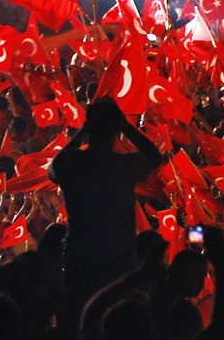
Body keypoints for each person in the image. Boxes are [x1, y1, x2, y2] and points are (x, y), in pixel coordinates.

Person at [50, 97, 167, 315]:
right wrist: (125, 126)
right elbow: (154, 156)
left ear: (89, 127)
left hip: (81, 257)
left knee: (81, 318)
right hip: (119, 259)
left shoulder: (71, 163)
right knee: (119, 319)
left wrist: (81, 134)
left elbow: (53, 169)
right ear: (116, 130)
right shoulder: (122, 166)